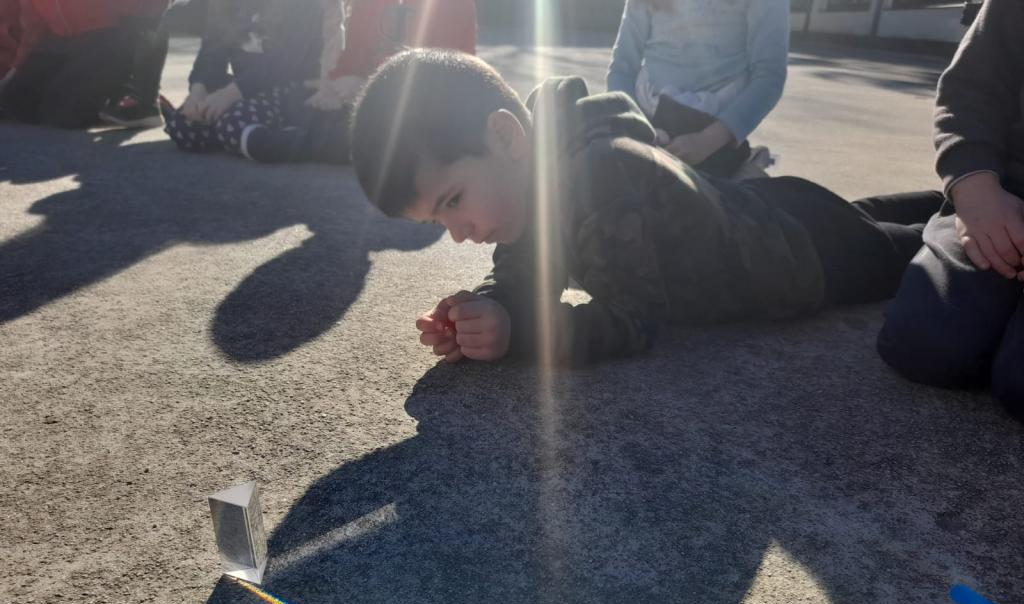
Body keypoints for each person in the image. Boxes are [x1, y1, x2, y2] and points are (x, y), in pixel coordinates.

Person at [349, 49, 942, 368]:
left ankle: (970, 200)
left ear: (506, 139)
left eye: (454, 201)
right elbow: (525, 270)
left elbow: (634, 317)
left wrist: (519, 335)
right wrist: (490, 308)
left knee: (920, 245)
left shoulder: (598, 176)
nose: (458, 233)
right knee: (864, 213)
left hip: (801, 259)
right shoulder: (525, 188)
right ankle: (950, 195)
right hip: (774, 206)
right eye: (439, 222)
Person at [877, 0, 1024, 423]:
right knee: (925, 345)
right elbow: (970, 88)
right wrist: (974, 186)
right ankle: (936, 219)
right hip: (1002, 188)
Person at [238, 0, 477, 164]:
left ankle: (295, 145)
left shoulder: (451, 5)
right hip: (368, 103)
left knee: (407, 137)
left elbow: (445, 76)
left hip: (424, 107)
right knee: (299, 103)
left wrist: (365, 86)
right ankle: (345, 144)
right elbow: (352, 55)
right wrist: (335, 85)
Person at [607, 0, 789, 177]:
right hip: (645, 120)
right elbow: (622, 69)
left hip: (714, 134)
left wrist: (706, 142)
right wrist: (639, 127)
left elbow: (769, 77)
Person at [163, 0, 324, 158]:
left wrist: (231, 94)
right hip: (243, 87)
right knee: (183, 125)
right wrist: (198, 93)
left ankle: (297, 138)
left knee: (234, 122)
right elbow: (211, 53)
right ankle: (238, 135)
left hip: (293, 87)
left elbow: (287, 62)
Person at [0, 0, 168, 128]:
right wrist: (13, 71)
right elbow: (34, 25)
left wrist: (147, 79)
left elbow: (154, 10)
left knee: (64, 114)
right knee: (16, 104)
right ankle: (101, 89)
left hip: (111, 34)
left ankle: (130, 94)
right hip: (60, 39)